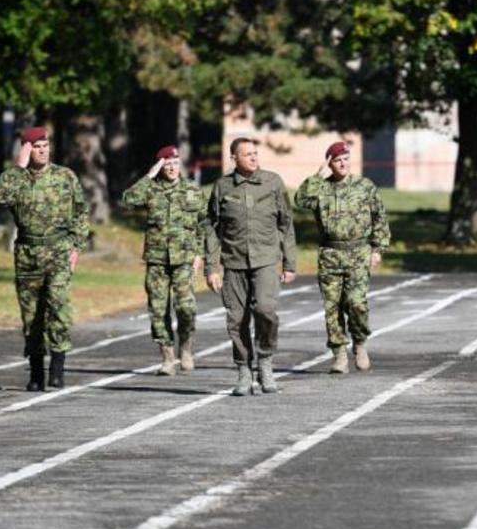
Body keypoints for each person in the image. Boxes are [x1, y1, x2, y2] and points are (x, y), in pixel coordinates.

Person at [0, 126, 89, 391]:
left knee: (58, 307)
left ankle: (57, 368)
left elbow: (81, 213)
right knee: (31, 315)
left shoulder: (65, 176)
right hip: (27, 254)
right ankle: (36, 372)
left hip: (59, 251)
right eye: (36, 147)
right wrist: (18, 167)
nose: (43, 151)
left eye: (45, 146)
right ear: (26, 149)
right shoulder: (16, 179)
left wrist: (77, 247)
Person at [204, 138, 296, 395]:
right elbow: (211, 228)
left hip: (266, 260)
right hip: (234, 263)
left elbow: (286, 224)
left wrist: (289, 262)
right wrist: (211, 267)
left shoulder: (273, 182)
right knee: (236, 319)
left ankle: (265, 360)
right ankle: (244, 369)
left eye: (256, 153)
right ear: (234, 158)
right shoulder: (222, 186)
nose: (254, 158)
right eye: (247, 154)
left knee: (266, 310)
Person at [294, 141, 391, 374]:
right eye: (337, 160)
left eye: (346, 158)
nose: (343, 163)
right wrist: (318, 176)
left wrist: (378, 249)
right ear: (330, 163)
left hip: (359, 253)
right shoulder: (321, 188)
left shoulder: (364, 186)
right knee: (332, 307)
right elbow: (300, 200)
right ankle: (339, 354)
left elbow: (380, 217)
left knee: (356, 303)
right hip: (330, 254)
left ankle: (360, 343)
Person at [121, 145, 205, 376]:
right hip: (157, 259)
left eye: (175, 163)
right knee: (158, 310)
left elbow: (204, 224)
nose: (172, 168)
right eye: (167, 164)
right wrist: (149, 175)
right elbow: (128, 199)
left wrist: (200, 254)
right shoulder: (151, 189)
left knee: (186, 307)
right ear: (160, 166)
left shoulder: (193, 190)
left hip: (185, 258)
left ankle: (186, 346)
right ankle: (167, 357)